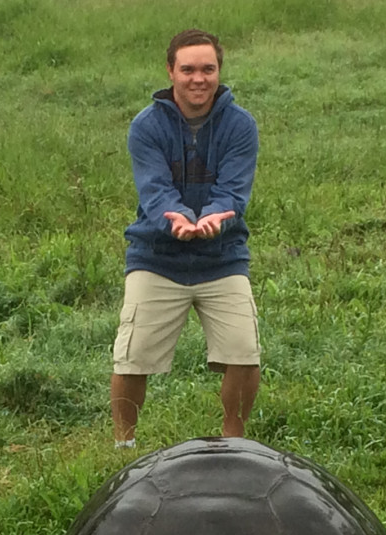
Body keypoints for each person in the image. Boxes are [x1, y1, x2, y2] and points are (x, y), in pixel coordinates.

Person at [111, 29, 260, 447]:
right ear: (170, 71)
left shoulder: (241, 125)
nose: (199, 78)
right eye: (189, 69)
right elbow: (154, 189)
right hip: (157, 254)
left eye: (208, 69)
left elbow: (233, 192)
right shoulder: (146, 126)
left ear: (219, 72)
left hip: (222, 254)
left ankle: (235, 442)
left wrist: (211, 219)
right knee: (131, 356)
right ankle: (123, 445)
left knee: (244, 353)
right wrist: (175, 220)